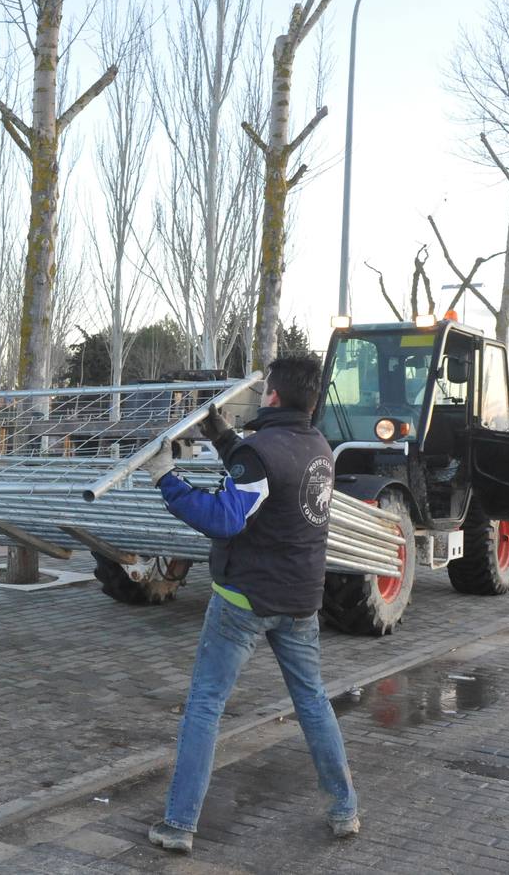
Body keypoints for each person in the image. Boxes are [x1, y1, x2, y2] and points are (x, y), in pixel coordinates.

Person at [138, 353, 359, 853]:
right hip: (302, 601)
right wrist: (220, 434)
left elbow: (226, 518)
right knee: (313, 702)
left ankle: (178, 824)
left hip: (244, 601)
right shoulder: (318, 447)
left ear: (273, 395)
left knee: (205, 706)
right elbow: (262, 474)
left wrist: (166, 479)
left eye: (265, 391)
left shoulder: (262, 451)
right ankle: (344, 809)